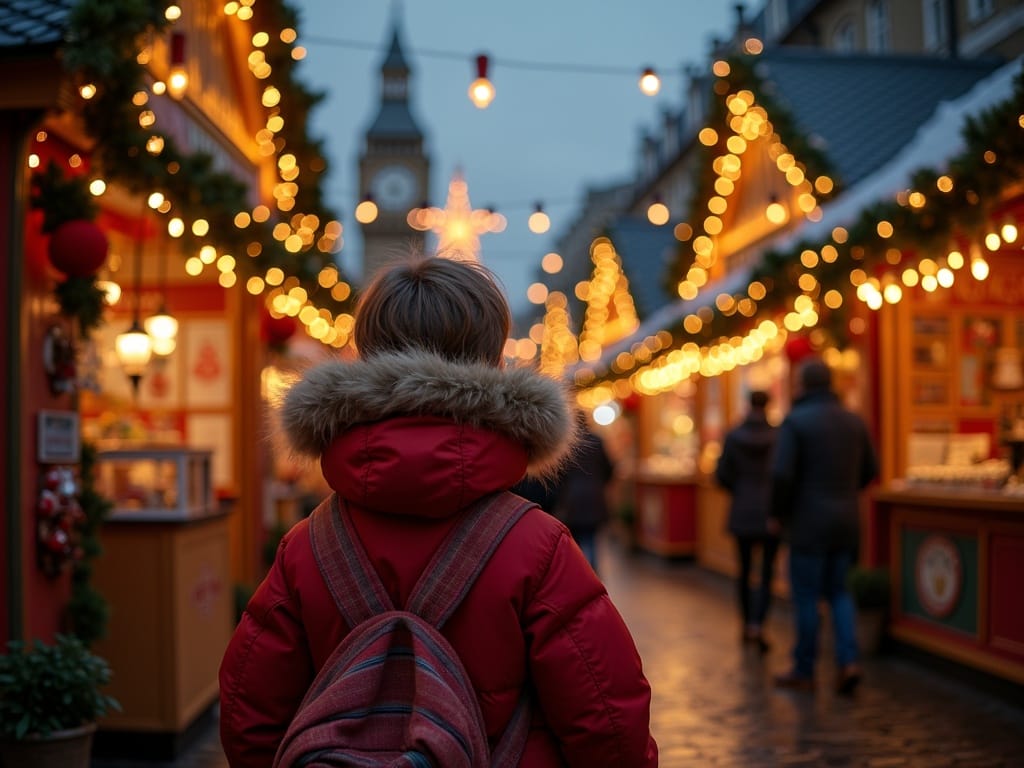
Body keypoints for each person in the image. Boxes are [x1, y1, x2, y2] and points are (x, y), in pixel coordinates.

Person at [219, 254, 658, 768]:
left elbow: (249, 717)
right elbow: (608, 725)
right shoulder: (536, 545)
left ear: (367, 356)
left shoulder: (306, 547)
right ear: (493, 362)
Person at [770, 358, 879, 695]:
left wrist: (779, 513)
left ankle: (805, 669)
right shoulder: (853, 421)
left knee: (806, 596)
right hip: (846, 519)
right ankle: (848, 662)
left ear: (802, 384)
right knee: (839, 592)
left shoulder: (796, 422)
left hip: (808, 521)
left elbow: (782, 475)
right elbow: (870, 470)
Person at [714, 389, 779, 653]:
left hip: (742, 509)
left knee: (743, 571)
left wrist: (740, 490)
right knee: (766, 573)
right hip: (770, 513)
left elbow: (721, 475)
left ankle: (746, 624)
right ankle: (759, 624)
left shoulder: (733, 435)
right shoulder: (778, 436)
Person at [554, 414, 615, 573]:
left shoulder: (568, 444)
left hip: (571, 497)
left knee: (576, 538)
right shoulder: (597, 441)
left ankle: (580, 572)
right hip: (594, 495)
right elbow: (609, 468)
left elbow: (560, 474)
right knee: (591, 537)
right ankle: (592, 574)